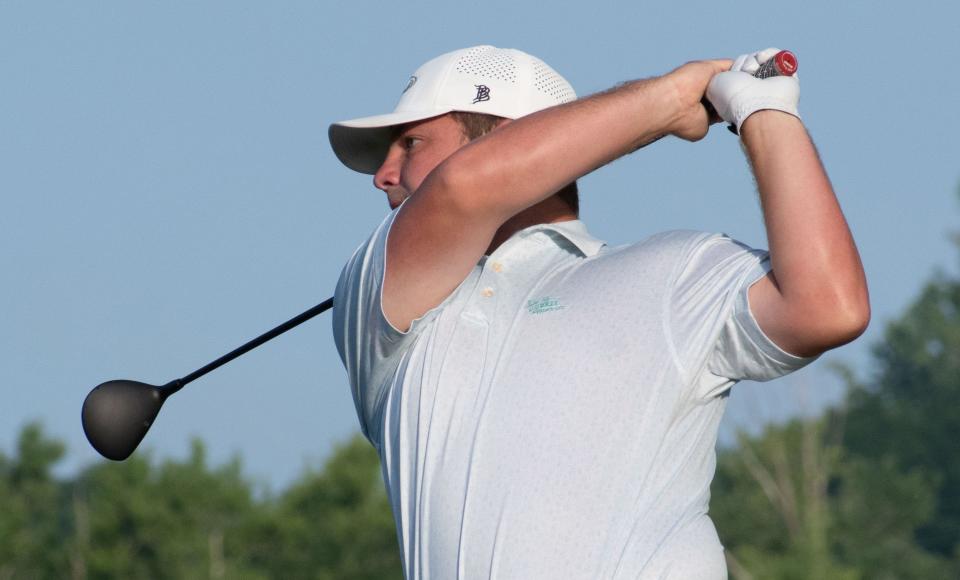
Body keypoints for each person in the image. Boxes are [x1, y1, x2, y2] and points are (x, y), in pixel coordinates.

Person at [328, 45, 869, 579]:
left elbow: (827, 308)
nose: (383, 174)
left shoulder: (673, 270)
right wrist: (671, 99)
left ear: (502, 136)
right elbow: (464, 190)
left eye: (410, 143)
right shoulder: (377, 299)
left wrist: (765, 112)